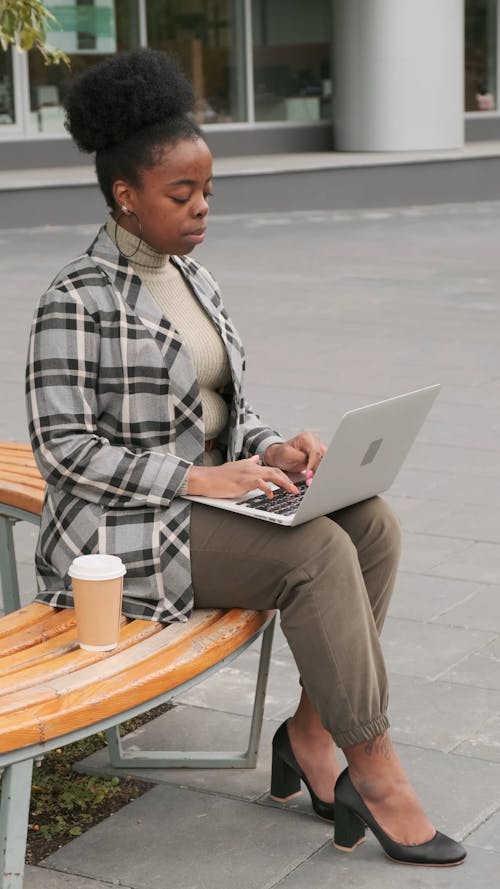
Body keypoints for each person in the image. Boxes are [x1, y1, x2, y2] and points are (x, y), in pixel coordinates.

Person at [25, 48, 466, 868]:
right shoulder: (74, 298)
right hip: (120, 532)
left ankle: (307, 731)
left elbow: (218, 406)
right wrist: (197, 476)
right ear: (125, 196)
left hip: (204, 501)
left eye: (208, 191)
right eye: (180, 194)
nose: (201, 210)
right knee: (315, 551)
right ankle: (374, 768)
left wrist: (269, 444)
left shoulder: (193, 278)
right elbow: (65, 450)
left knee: (370, 523)